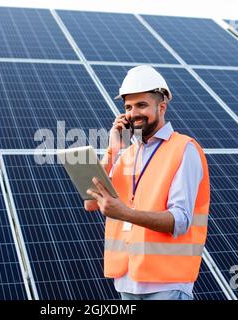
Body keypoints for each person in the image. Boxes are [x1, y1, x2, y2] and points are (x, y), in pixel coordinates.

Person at [85, 65, 210, 300]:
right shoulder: (126, 154)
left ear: (161, 107)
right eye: (128, 107)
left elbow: (180, 221)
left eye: (142, 105)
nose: (133, 113)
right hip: (126, 282)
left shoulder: (184, 149)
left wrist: (124, 213)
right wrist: (112, 151)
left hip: (167, 284)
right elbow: (91, 203)